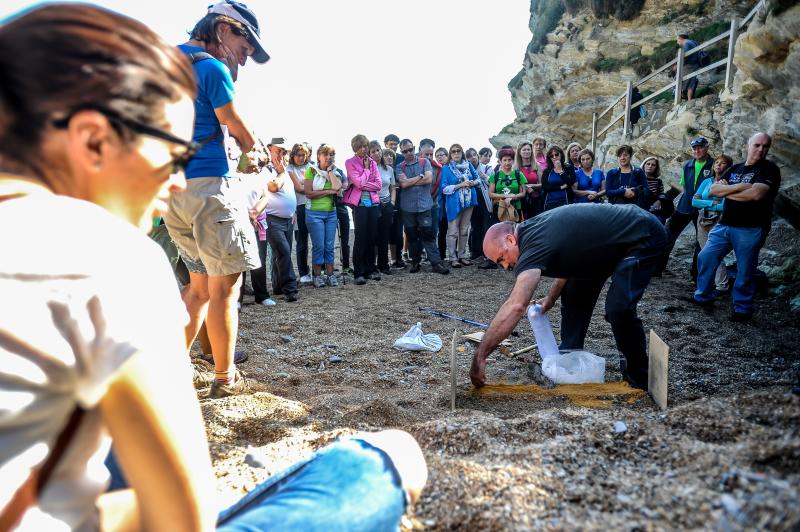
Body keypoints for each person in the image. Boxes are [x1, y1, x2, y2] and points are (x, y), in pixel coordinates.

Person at [0, 5, 429, 531]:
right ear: (93, 139)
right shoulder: (108, 254)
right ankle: (223, 373)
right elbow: (184, 522)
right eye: (174, 151)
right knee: (392, 455)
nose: (177, 179)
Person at [165, 0, 270, 398]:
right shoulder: (210, 67)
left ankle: (170, 367)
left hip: (174, 191)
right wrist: (253, 149)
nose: (243, 59)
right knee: (224, 288)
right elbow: (235, 122)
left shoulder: (165, 63)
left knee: (197, 288)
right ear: (225, 29)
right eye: (244, 49)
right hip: (209, 188)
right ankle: (225, 379)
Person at [469, 205, 668, 390]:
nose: (505, 266)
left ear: (511, 240)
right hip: (603, 248)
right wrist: (551, 297)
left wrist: (481, 355)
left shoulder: (531, 245)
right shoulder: (534, 235)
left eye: (502, 258)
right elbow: (570, 258)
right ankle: (570, 359)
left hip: (642, 234)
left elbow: (516, 306)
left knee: (619, 309)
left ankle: (639, 376)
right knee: (574, 293)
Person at [693, 133, 781, 321]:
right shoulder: (735, 169)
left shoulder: (769, 169)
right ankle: (703, 296)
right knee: (705, 257)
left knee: (745, 269)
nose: (760, 149)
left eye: (765, 146)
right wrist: (742, 186)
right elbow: (712, 190)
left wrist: (727, 191)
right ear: (748, 145)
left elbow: (756, 195)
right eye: (757, 145)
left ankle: (742, 309)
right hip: (724, 224)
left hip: (751, 228)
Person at [655, 137, 713, 278]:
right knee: (667, 234)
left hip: (703, 208)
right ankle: (656, 269)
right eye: (694, 148)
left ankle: (696, 275)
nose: (697, 150)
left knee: (701, 242)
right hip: (684, 206)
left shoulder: (714, 165)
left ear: (707, 147)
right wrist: (663, 199)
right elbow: (683, 186)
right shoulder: (687, 165)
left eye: (700, 147)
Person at [397, 139, 450, 275]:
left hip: (425, 205)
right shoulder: (400, 166)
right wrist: (419, 177)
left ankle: (435, 263)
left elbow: (428, 179)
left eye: (410, 149)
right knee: (412, 235)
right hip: (408, 207)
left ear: (414, 148)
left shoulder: (424, 162)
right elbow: (403, 185)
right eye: (405, 151)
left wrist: (411, 181)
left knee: (429, 235)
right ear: (401, 152)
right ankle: (415, 262)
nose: (408, 153)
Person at [691, 154, 733, 295]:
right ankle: (706, 285)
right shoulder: (706, 181)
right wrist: (712, 203)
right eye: (717, 162)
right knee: (704, 253)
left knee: (714, 253)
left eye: (723, 163)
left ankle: (722, 286)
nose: (718, 165)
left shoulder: (729, 184)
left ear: (728, 167)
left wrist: (710, 205)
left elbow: (727, 205)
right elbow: (694, 201)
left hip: (719, 220)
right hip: (703, 219)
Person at [344, 134, 382, 285]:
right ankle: (358, 272)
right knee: (360, 238)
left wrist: (363, 181)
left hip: (373, 203)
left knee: (372, 237)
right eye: (360, 147)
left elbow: (378, 185)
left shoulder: (373, 162)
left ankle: (371, 269)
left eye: (365, 146)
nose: (363, 149)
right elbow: (358, 184)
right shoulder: (350, 162)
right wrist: (366, 171)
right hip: (359, 204)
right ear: (355, 148)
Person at [304, 144, 342, 287]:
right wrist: (328, 192)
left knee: (329, 245)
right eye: (325, 154)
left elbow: (337, 188)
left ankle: (330, 275)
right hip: (314, 214)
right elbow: (309, 193)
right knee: (319, 245)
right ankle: (317, 276)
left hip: (331, 213)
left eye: (331, 154)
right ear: (318, 156)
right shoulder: (311, 171)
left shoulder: (336, 172)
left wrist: (330, 172)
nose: (328, 157)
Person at [440, 144, 480, 268]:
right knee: (452, 231)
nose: (456, 153)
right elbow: (444, 188)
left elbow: (478, 179)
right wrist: (461, 185)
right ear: (450, 154)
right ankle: (453, 257)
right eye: (453, 151)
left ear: (461, 152)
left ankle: (462, 256)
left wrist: (473, 182)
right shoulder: (446, 168)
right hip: (454, 203)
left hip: (469, 202)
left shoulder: (468, 165)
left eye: (458, 151)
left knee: (464, 230)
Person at [287, 143, 312, 284]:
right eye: (298, 155)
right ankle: (303, 272)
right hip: (298, 206)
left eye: (303, 155)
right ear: (293, 155)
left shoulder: (310, 167)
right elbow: (298, 188)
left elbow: (315, 185)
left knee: (314, 239)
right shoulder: (289, 168)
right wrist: (309, 188)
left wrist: (309, 188)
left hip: (312, 205)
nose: (301, 158)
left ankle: (317, 270)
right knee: (301, 241)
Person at [488, 146, 527, 223]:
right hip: (499, 208)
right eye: (504, 160)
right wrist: (507, 196)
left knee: (515, 231)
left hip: (516, 207)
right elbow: (491, 194)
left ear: (513, 160)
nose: (507, 162)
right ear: (500, 161)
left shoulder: (519, 175)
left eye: (509, 160)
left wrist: (512, 197)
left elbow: (523, 193)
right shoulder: (495, 176)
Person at [375, 147, 397, 274]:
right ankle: (373, 264)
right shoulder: (372, 168)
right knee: (374, 236)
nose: (388, 157)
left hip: (387, 204)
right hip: (374, 204)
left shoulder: (389, 169)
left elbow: (393, 187)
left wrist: (392, 202)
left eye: (391, 155)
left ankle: (384, 265)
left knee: (384, 236)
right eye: (386, 154)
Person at [384, 134, 405, 268]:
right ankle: (387, 259)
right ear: (385, 144)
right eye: (391, 144)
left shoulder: (401, 158)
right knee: (385, 231)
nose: (394, 146)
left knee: (398, 231)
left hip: (401, 199)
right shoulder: (381, 158)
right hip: (385, 200)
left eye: (396, 144)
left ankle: (398, 257)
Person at [469, 148, 493, 262]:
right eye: (469, 156)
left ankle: (486, 252)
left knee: (485, 226)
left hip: (484, 199)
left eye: (474, 155)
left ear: (477, 155)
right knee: (474, 226)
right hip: (472, 199)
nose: (472, 157)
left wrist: (484, 176)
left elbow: (493, 183)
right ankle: (474, 251)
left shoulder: (487, 168)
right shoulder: (466, 169)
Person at [541, 145, 576, 210]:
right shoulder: (547, 171)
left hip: (566, 201)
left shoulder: (569, 167)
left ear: (561, 155)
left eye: (556, 154)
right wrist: (561, 187)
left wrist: (560, 171)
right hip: (550, 202)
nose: (554, 157)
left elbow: (570, 182)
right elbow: (545, 187)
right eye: (551, 156)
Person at [641, 156, 673, 224]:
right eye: (648, 164)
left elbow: (661, 194)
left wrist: (659, 201)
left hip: (652, 208)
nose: (650, 166)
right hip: (638, 207)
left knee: (660, 221)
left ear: (656, 168)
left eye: (653, 165)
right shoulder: (636, 177)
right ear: (644, 165)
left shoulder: (658, 181)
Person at [516, 141, 543, 219]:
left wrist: (530, 186)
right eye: (524, 150)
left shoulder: (537, 165)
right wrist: (526, 188)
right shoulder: (515, 168)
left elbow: (542, 184)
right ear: (519, 152)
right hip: (520, 200)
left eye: (528, 149)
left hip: (535, 199)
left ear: (531, 151)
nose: (527, 151)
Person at [433, 147, 450, 260]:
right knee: (441, 231)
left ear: (447, 156)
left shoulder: (450, 168)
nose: (439, 157)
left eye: (442, 155)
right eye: (437, 155)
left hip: (450, 203)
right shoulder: (435, 169)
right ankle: (441, 253)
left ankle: (454, 253)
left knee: (453, 231)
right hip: (439, 204)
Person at [676, 33, 702, 101]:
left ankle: (681, 99)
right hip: (696, 64)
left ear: (681, 39)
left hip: (689, 66)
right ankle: (689, 99)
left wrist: (678, 64)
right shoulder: (694, 42)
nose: (677, 42)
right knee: (692, 83)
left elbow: (685, 55)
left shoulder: (686, 43)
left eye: (677, 40)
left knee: (682, 82)